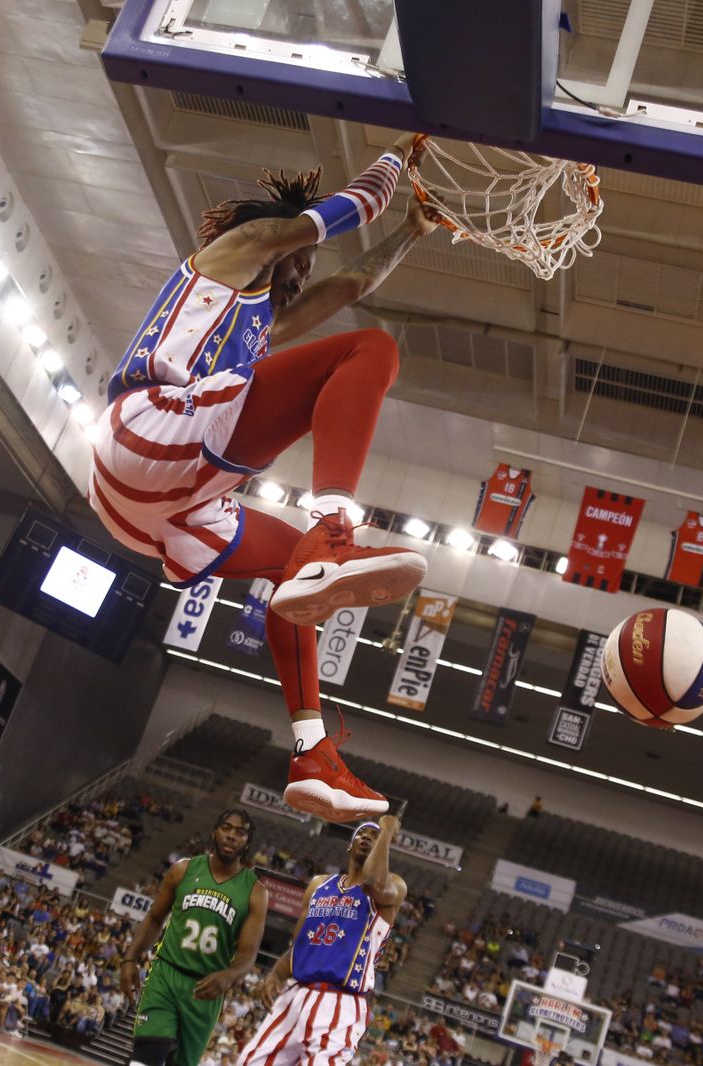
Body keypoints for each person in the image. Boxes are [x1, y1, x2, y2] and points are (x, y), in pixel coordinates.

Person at [90, 132, 443, 823]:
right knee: (371, 352)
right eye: (298, 262)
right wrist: (397, 160)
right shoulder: (231, 257)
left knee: (291, 570)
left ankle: (311, 751)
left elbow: (355, 283)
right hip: (148, 430)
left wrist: (413, 229)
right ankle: (335, 532)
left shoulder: (257, 325)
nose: (302, 275)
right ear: (272, 243)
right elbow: (341, 212)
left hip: (155, 503)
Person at [240, 816, 406, 1065]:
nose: (367, 838)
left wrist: (387, 831)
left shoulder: (392, 885)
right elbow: (300, 943)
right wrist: (276, 974)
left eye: (374, 836)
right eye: (362, 834)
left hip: (341, 1002)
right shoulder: (319, 885)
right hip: (297, 993)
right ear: (350, 845)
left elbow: (373, 883)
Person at [118, 809, 268, 1066]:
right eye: (226, 828)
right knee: (147, 1054)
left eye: (240, 832)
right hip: (166, 974)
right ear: (215, 832)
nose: (231, 836)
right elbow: (154, 918)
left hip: (205, 989)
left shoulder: (255, 892)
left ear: (247, 842)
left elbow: (248, 953)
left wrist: (229, 975)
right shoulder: (183, 870)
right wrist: (130, 958)